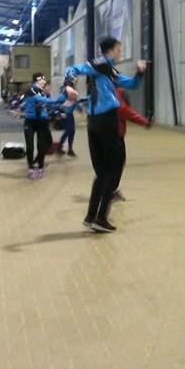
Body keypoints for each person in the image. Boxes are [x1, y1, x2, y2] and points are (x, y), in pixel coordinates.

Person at [65, 36, 146, 233]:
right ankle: (101, 218)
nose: (121, 52)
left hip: (95, 122)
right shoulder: (100, 64)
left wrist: (140, 72)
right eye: (119, 49)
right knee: (113, 169)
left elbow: (132, 84)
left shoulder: (109, 70)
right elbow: (73, 69)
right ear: (110, 51)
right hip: (105, 121)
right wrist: (68, 85)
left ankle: (91, 216)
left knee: (102, 173)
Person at [111, 88, 151, 202]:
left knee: (114, 163)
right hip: (115, 134)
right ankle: (110, 191)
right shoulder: (118, 94)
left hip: (111, 133)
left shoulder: (110, 92)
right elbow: (125, 110)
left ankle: (109, 190)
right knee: (117, 163)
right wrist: (144, 121)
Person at [19, 73, 61, 180]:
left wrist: (58, 103)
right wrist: (60, 98)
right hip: (30, 122)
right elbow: (42, 101)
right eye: (42, 80)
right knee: (30, 146)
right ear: (37, 81)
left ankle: (40, 167)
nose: (45, 82)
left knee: (41, 146)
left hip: (41, 122)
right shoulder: (31, 90)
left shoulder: (42, 92)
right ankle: (30, 168)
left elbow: (47, 104)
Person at [55, 76, 81, 157]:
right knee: (68, 131)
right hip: (66, 114)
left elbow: (75, 102)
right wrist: (60, 112)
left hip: (70, 114)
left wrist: (79, 107)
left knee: (72, 131)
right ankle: (59, 147)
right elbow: (57, 104)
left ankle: (70, 149)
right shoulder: (64, 93)